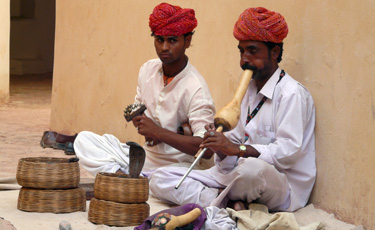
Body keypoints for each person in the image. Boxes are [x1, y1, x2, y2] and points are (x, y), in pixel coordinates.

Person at [149, 7, 316, 212]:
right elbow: (235, 141)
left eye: (252, 51)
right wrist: (220, 145)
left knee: (252, 170)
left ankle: (223, 200)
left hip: (278, 183)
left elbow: (288, 152)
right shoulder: (248, 88)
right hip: (236, 176)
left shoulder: (291, 93)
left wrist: (237, 150)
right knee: (159, 178)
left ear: (275, 52)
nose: (244, 59)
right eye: (241, 51)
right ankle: (227, 202)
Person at [73, 2, 215, 176]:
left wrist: (158, 132)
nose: (164, 47)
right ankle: (124, 178)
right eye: (159, 40)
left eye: (172, 40)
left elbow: (207, 150)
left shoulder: (196, 88)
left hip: (176, 168)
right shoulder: (147, 70)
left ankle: (137, 181)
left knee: (166, 181)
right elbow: (138, 108)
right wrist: (139, 120)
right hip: (145, 159)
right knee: (84, 140)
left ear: (188, 41)